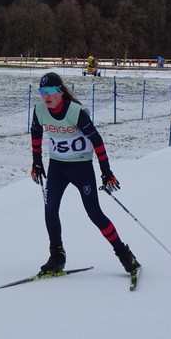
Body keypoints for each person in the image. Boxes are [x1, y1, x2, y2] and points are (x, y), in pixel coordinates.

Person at [30, 72, 141, 276]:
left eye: (50, 91)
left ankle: (126, 255)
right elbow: (35, 134)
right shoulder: (39, 110)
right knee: (50, 209)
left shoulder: (75, 112)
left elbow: (97, 141)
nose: (46, 96)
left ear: (60, 92)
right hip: (57, 167)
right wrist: (36, 162)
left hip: (81, 167)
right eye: (42, 92)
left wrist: (106, 172)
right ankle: (57, 256)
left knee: (94, 213)